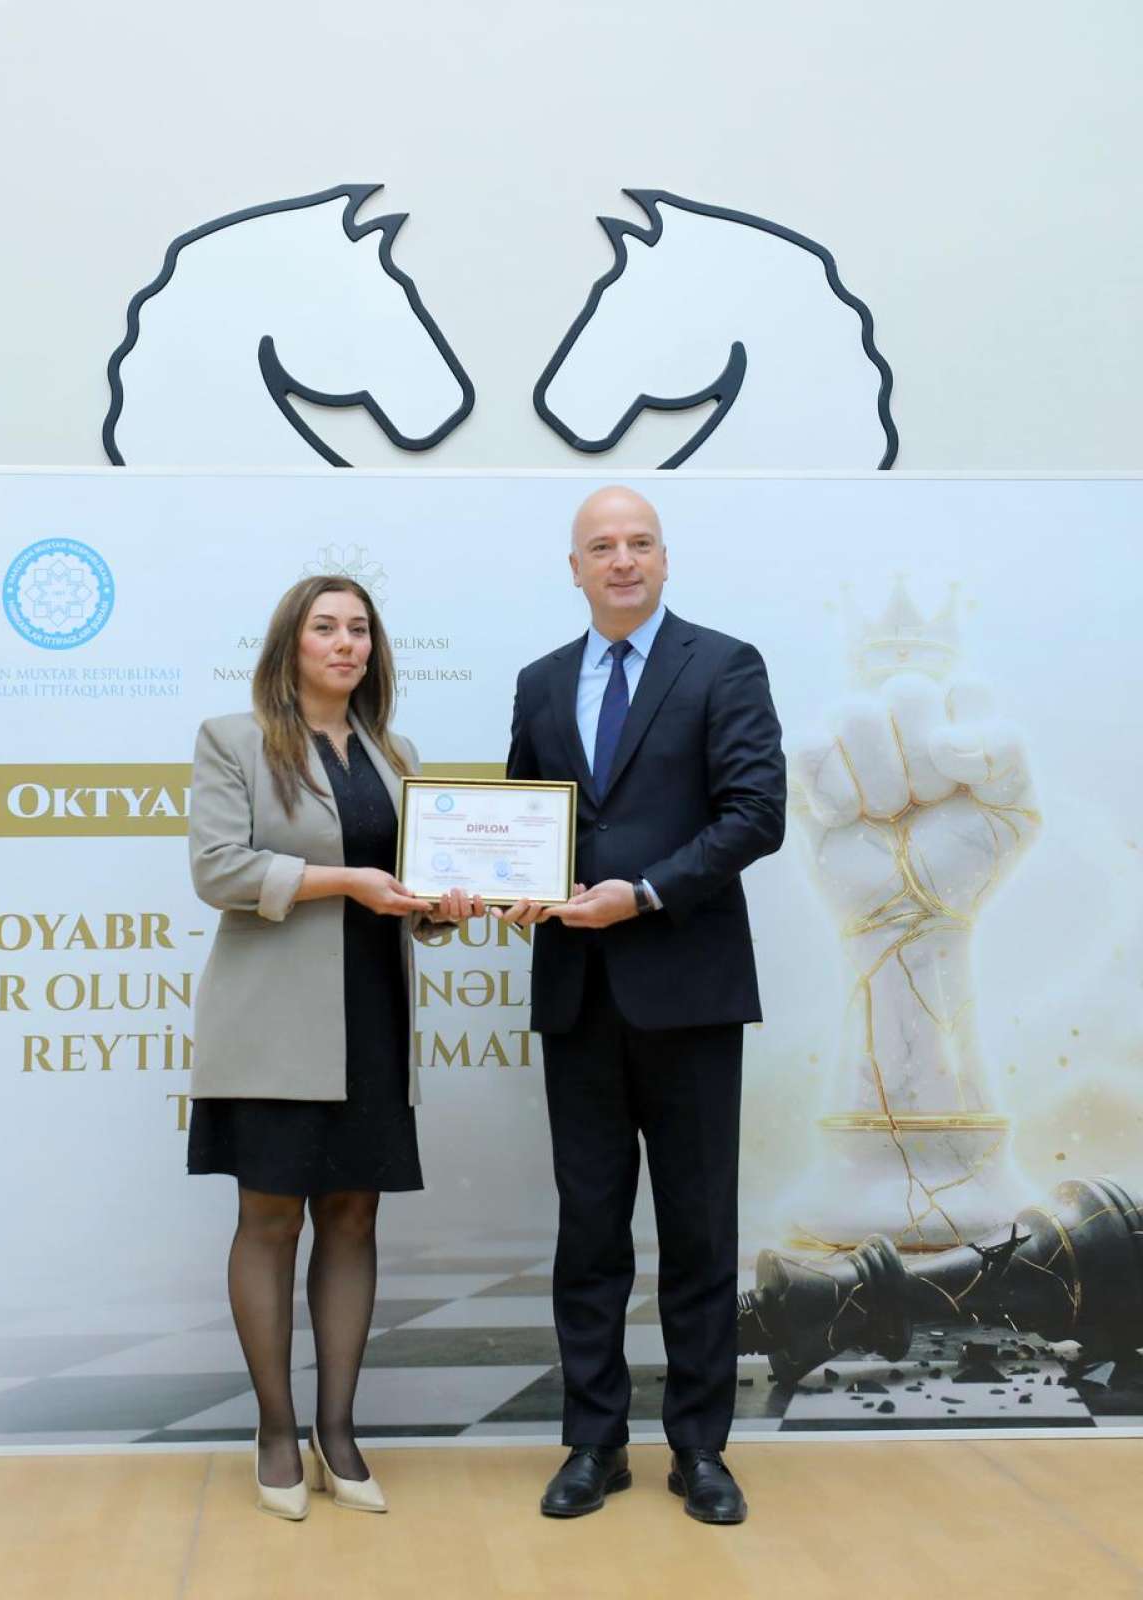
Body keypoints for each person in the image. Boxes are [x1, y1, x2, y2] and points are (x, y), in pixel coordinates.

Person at [500, 485, 785, 1524]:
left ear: (664, 560)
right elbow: (522, 821)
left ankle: (700, 1448)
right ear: (573, 568)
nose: (621, 560)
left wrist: (647, 892)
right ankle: (594, 1443)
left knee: (699, 1231)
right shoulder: (539, 682)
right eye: (601, 546)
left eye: (639, 543)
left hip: (690, 991)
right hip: (578, 993)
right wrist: (498, 884)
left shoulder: (724, 665)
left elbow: (756, 813)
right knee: (588, 1232)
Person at [186, 575, 480, 1521]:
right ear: (292, 643)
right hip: (271, 1022)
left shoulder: (397, 755)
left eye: (360, 628)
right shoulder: (233, 739)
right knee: (270, 1218)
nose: (346, 642)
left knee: (353, 1216)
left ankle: (338, 1432)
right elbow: (217, 870)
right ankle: (275, 1434)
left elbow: (412, 891)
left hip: (373, 1013)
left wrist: (443, 905)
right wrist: (346, 880)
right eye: (326, 627)